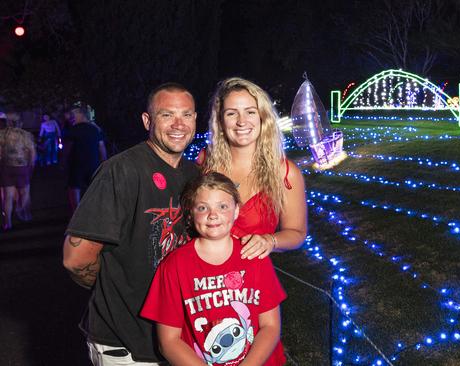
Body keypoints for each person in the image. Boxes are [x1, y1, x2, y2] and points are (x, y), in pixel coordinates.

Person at [62, 82, 199, 365]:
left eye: (186, 114)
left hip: (178, 341)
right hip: (124, 346)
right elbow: (75, 259)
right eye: (166, 115)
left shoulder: (193, 174)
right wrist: (119, 289)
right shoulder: (122, 170)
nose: (178, 124)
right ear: (147, 120)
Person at [141, 172, 286, 365]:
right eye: (202, 207)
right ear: (191, 213)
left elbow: (270, 326)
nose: (213, 215)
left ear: (236, 211)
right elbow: (168, 341)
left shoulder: (254, 255)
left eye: (223, 206)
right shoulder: (174, 265)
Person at [201, 77, 307, 260]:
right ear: (220, 120)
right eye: (231, 113)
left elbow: (296, 233)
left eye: (250, 112)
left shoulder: (285, 173)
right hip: (204, 275)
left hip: (251, 277)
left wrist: (269, 240)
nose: (242, 122)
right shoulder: (204, 162)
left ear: (262, 117)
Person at [62, 103, 108, 212]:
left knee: (74, 188)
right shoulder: (95, 129)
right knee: (94, 188)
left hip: (76, 164)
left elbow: (67, 149)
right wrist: (104, 161)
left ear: (80, 115)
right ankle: (96, 211)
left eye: (73, 115)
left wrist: (63, 161)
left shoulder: (73, 130)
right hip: (93, 163)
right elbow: (101, 147)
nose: (71, 118)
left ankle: (76, 213)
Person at [0, 117, 36, 230]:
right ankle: (21, 211)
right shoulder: (26, 135)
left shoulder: (2, 135)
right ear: (20, 123)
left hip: (7, 167)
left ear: (9, 123)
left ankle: (8, 222)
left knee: (8, 196)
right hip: (22, 167)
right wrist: (31, 165)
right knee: (25, 192)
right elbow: (32, 152)